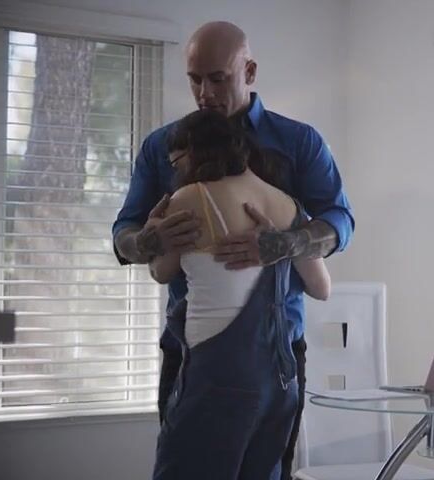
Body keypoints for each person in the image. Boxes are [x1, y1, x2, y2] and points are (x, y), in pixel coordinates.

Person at [111, 21, 354, 479]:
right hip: (191, 354)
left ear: (250, 71)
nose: (204, 93)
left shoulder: (299, 142)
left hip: (282, 351)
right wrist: (147, 241)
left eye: (217, 79)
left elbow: (340, 219)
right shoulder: (162, 146)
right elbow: (125, 229)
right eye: (194, 79)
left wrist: (286, 243)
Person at [150, 109, 327, 479]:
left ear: (193, 153)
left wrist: (153, 231)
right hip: (280, 379)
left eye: (176, 163)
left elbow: (161, 271)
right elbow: (321, 288)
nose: (176, 171)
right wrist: (280, 245)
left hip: (218, 374)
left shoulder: (190, 198)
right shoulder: (286, 203)